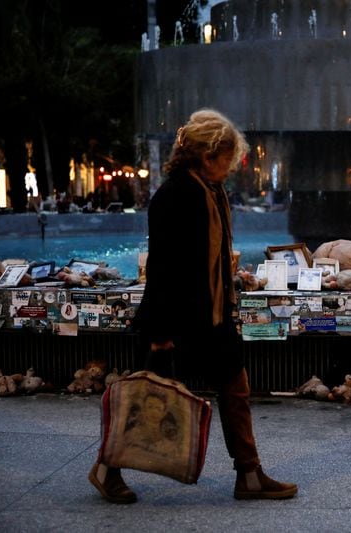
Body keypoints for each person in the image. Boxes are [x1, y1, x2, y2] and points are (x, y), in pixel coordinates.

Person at [88, 109, 297, 504]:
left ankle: (249, 474)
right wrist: (163, 334)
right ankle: (105, 468)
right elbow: (165, 266)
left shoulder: (210, 190)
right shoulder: (176, 195)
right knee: (146, 401)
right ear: (208, 156)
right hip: (176, 318)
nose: (232, 167)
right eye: (227, 158)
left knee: (235, 387)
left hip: (210, 315)